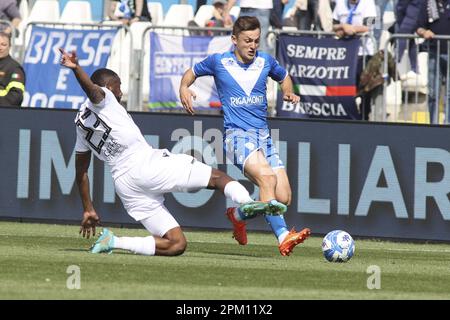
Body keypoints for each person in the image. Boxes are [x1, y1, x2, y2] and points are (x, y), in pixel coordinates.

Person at [58, 47, 286, 256]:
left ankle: (114, 241)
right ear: (109, 87)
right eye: (118, 86)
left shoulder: (80, 123)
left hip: (125, 186)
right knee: (217, 178)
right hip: (145, 165)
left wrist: (88, 208)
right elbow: (93, 91)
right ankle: (246, 203)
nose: (121, 92)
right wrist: (77, 69)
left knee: (176, 244)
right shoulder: (104, 98)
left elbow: (81, 173)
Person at [179, 16, 311, 256]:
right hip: (236, 136)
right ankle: (283, 236)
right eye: (247, 40)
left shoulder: (266, 61)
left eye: (256, 41)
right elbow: (190, 73)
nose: (252, 45)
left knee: (283, 197)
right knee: (267, 180)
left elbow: (284, 77)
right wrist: (183, 88)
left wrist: (288, 92)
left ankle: (238, 215)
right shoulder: (218, 62)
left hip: (264, 138)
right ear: (234, 40)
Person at [332, 0, 377, 120]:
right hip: (344, 53)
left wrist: (352, 29)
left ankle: (363, 117)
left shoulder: (369, 3)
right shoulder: (340, 4)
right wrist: (343, 26)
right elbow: (333, 26)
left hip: (364, 53)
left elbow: (369, 26)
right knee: (343, 87)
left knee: (363, 88)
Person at [416, 0, 450, 124]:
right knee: (433, 93)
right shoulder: (427, 3)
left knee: (449, 95)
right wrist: (424, 32)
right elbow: (418, 27)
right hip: (434, 53)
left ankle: (448, 126)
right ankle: (433, 125)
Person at [0, 31, 25, 107]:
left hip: (5, 113)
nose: (0, 48)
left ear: (9, 47)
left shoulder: (15, 68)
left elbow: (16, 96)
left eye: (3, 45)